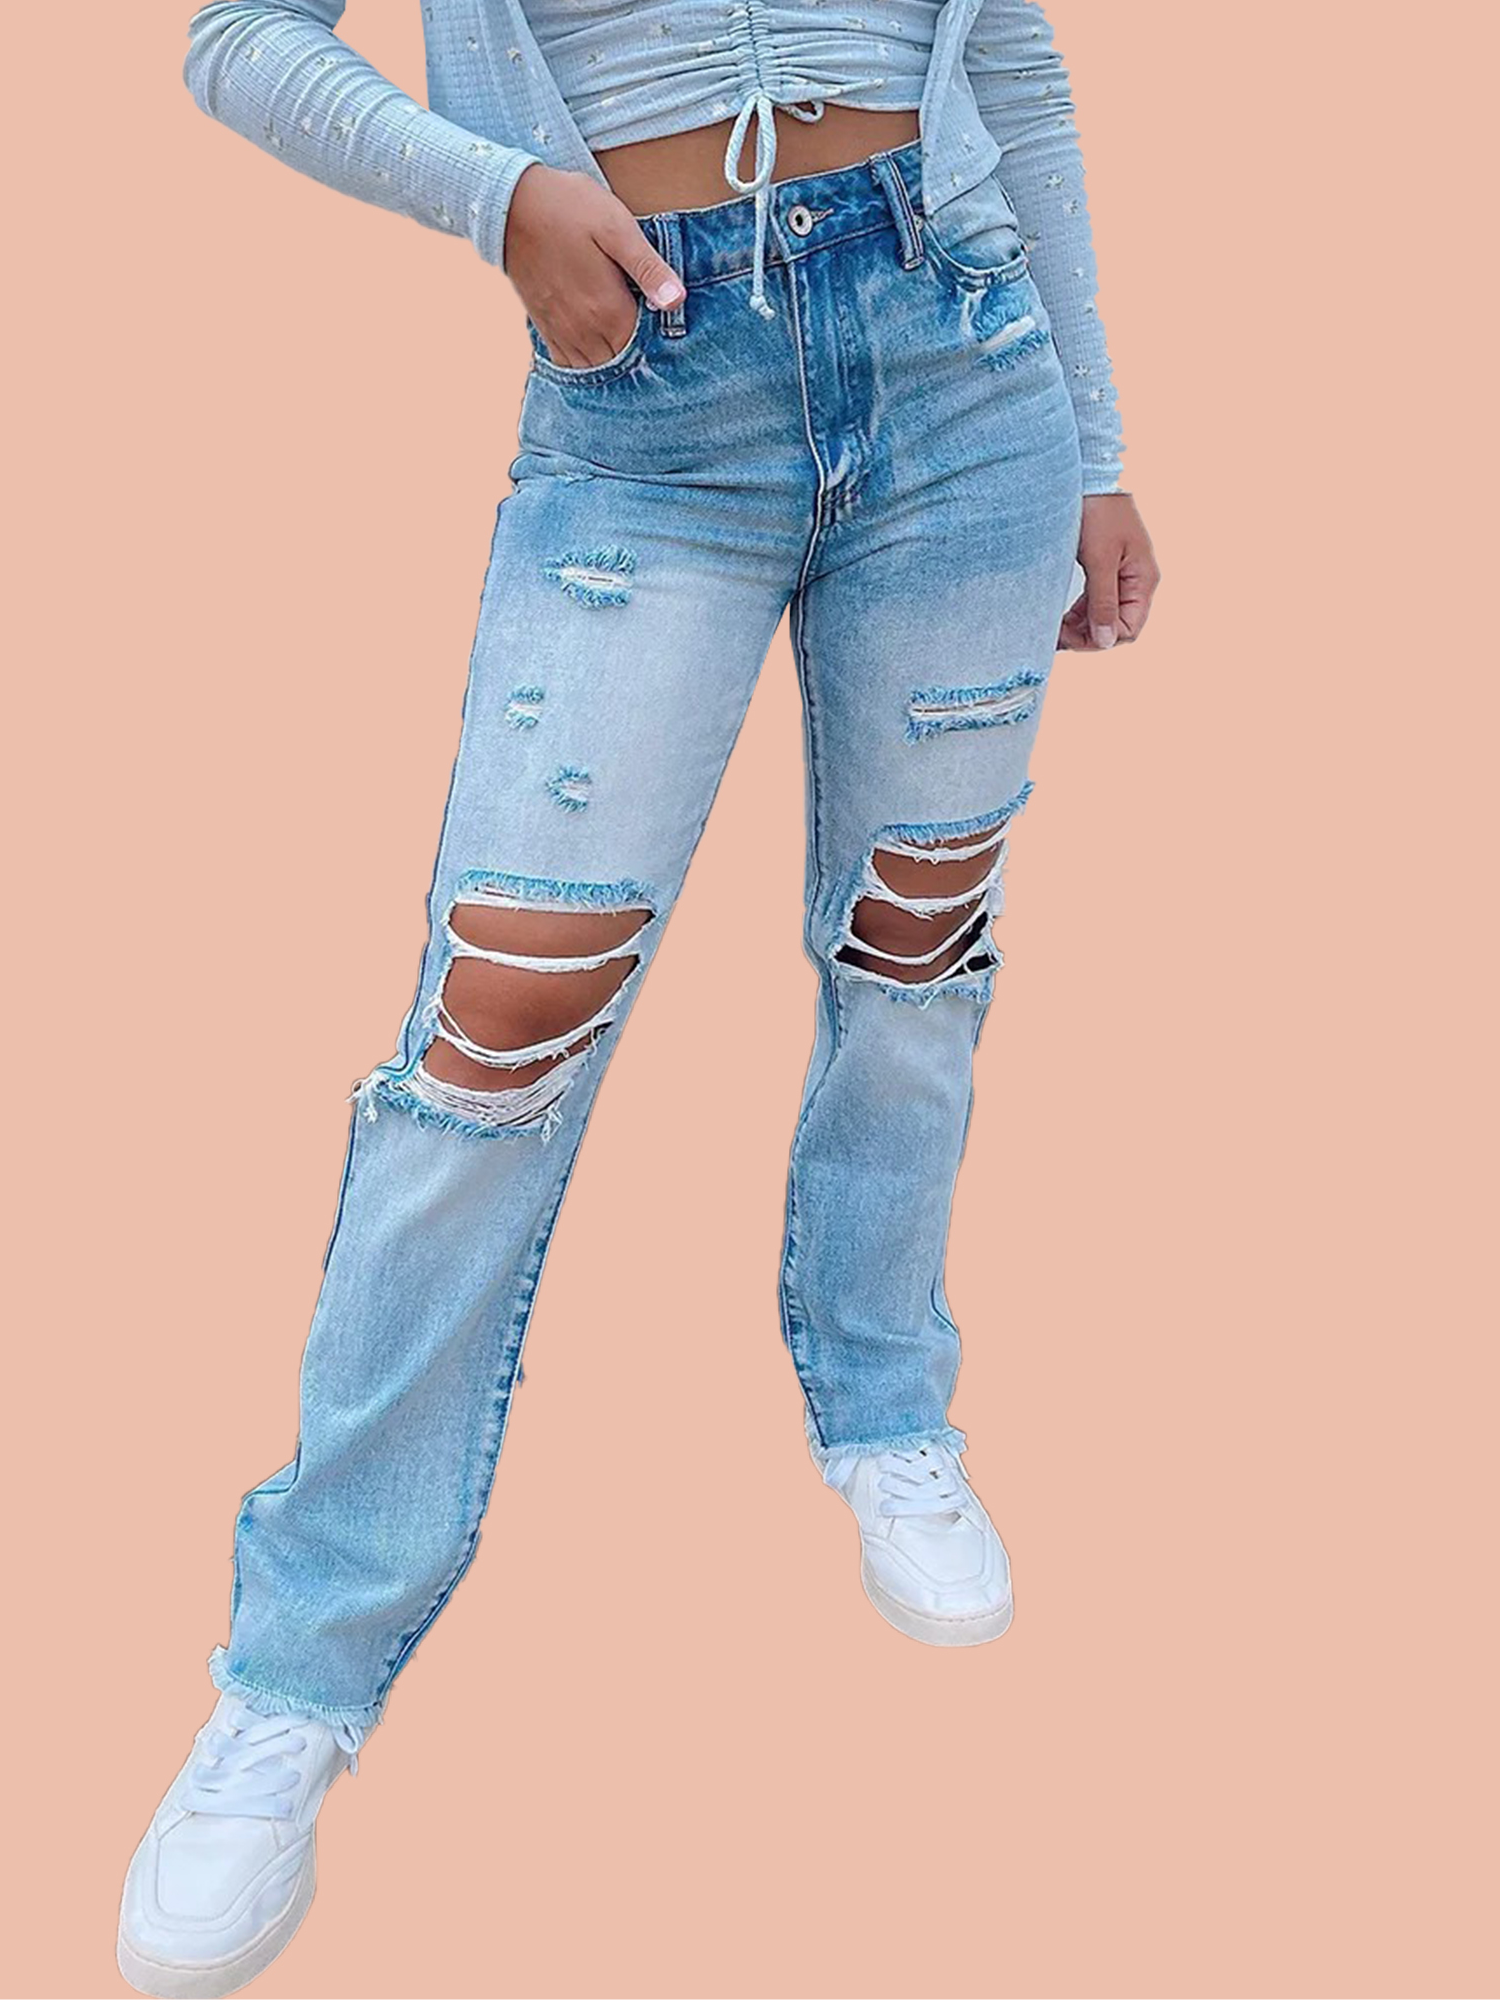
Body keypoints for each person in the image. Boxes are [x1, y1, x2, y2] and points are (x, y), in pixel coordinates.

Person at [118, 3, 1162, 1993]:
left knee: (918, 945)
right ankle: (298, 1668)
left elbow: (1012, 64)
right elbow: (243, 37)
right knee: (499, 1025)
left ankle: (883, 1405)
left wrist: (1102, 449)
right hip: (655, 406)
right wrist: (498, 195)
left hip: (967, 372)